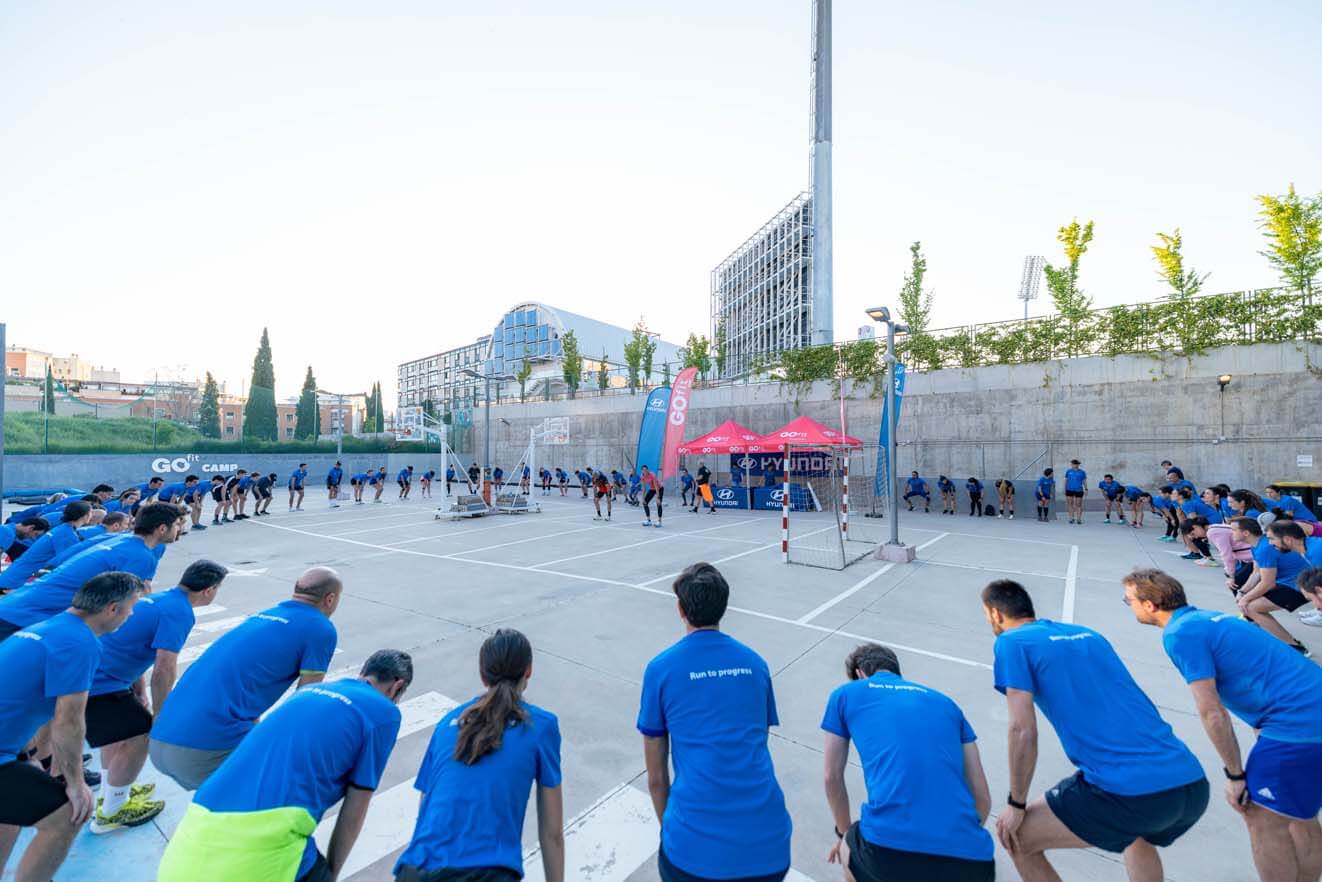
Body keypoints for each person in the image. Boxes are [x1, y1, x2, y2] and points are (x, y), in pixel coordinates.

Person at [982, 579, 1208, 882]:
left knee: (1018, 837)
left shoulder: (1012, 642)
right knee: (1137, 836)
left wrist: (1016, 803)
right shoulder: (1088, 635)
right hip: (1190, 783)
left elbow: (1022, 730)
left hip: (1129, 792)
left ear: (995, 614)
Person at [1124, 568, 1322, 882]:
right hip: (1308, 711)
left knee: (1260, 816)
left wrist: (1235, 774)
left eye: (1129, 601)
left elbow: (1212, 712)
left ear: (1149, 604)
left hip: (1297, 724)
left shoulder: (1179, 634)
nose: (1129, 606)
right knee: (1300, 814)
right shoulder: (1209, 619)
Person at [159, 649, 412, 882]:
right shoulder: (384, 712)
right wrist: (330, 874)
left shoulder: (310, 692)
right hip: (258, 851)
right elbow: (357, 804)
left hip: (187, 844)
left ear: (364, 672)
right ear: (397, 686)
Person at [638, 563, 791, 882]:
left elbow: (656, 779)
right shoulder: (756, 664)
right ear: (724, 606)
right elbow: (756, 742)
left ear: (681, 609)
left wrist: (670, 830)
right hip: (769, 844)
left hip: (694, 852)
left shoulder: (661, 669)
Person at [0, 572, 142, 882]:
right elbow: (68, 721)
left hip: (9, 750)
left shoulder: (45, 629)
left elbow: (15, 696)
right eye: (131, 608)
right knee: (68, 813)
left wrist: (26, 755)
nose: (131, 615)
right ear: (113, 609)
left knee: (11, 812)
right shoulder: (79, 643)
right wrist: (75, 784)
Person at [149, 566, 342, 790]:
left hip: (160, 740)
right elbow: (305, 701)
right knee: (289, 781)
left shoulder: (265, 615)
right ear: (330, 599)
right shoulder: (320, 628)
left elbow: (244, 688)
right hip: (201, 752)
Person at [395, 631, 564, 882]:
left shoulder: (447, 723)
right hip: (487, 871)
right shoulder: (540, 725)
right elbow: (552, 834)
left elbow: (426, 808)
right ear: (528, 670)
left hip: (416, 869)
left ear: (483, 675)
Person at [822, 642, 994, 882]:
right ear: (896, 671)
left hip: (888, 853)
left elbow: (831, 777)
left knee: (848, 845)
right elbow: (982, 796)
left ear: (860, 674)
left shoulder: (845, 694)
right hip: (974, 859)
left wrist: (842, 834)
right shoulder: (947, 704)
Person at [86, 560, 228, 832]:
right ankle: (112, 811)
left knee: (117, 735)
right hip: (100, 682)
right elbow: (164, 667)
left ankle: (112, 790)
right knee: (141, 735)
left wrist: (138, 689)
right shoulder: (180, 612)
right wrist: (160, 713)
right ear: (209, 590)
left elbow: (132, 647)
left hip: (101, 674)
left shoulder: (160, 600)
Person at [0, 503, 180, 642]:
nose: (179, 529)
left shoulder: (112, 538)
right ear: (162, 528)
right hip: (26, 617)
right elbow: (123, 607)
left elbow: (57, 561)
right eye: (177, 524)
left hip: (17, 602)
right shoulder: (141, 556)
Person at [1231, 517, 1313, 656]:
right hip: (1290, 583)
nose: (1231, 533)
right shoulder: (1257, 545)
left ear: (1245, 533)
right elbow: (1256, 573)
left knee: (1251, 607)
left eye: (1233, 530)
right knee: (1248, 601)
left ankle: (1295, 647)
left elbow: (1268, 583)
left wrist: (1245, 599)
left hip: (1300, 587)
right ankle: (1255, 628)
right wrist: (1242, 592)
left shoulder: (1265, 548)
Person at [0, 501, 96, 593]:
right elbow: (67, 564)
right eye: (91, 512)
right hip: (14, 583)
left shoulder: (62, 529)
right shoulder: (66, 534)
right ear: (86, 515)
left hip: (12, 579)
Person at [1063, 459, 1087, 524]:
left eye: (1076, 464)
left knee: (1078, 504)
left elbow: (1084, 481)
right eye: (1073, 464)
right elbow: (1066, 480)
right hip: (1069, 489)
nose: (1074, 465)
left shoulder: (1082, 472)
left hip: (1079, 490)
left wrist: (1086, 489)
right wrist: (1064, 489)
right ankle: (1071, 518)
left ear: (1078, 465)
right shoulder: (1068, 471)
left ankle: (1078, 519)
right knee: (1070, 504)